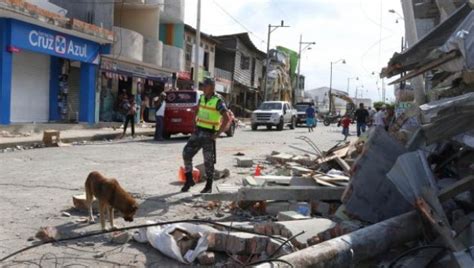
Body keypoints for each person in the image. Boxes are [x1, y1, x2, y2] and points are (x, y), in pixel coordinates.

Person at [181, 78, 230, 193]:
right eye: (203, 86)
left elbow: (227, 118)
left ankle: (208, 186)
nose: (203, 88)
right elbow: (197, 109)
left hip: (209, 134)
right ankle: (189, 180)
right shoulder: (202, 97)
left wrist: (217, 135)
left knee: (208, 162)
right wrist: (194, 120)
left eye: (205, 86)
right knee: (186, 153)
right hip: (198, 131)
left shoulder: (218, 101)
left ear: (212, 88)